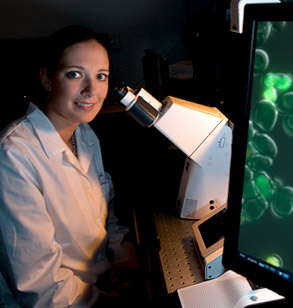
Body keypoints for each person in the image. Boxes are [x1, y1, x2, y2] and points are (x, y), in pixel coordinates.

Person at [0, 25, 138, 307]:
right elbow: (39, 285)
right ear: (47, 79)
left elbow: (104, 216)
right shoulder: (14, 156)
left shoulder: (84, 134)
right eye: (75, 74)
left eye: (101, 77)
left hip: (96, 284)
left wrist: (124, 259)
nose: (91, 90)